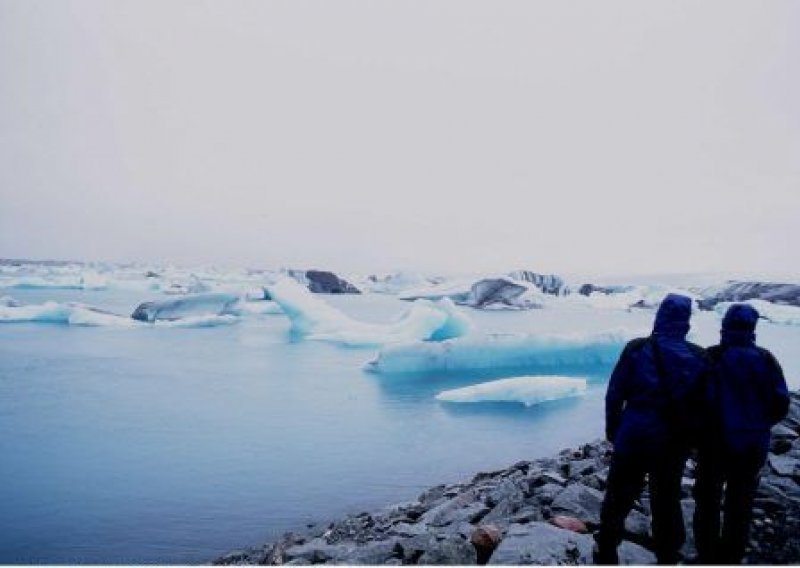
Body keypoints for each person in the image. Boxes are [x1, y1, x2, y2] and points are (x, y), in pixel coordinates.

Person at [594, 293, 707, 565]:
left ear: (659, 317)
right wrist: (693, 440)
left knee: (619, 494)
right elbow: (704, 405)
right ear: (686, 322)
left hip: (634, 435)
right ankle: (667, 554)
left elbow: (614, 394)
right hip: (673, 442)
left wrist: (614, 431)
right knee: (667, 497)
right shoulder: (698, 356)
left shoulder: (636, 348)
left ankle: (607, 549)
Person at [692, 303, 789, 564]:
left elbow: (696, 399)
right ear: (752, 327)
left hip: (714, 443)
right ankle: (732, 556)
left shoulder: (711, 356)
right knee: (741, 501)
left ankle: (707, 554)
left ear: (725, 326)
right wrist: (760, 424)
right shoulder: (766, 358)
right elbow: (781, 403)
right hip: (751, 445)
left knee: (708, 500)